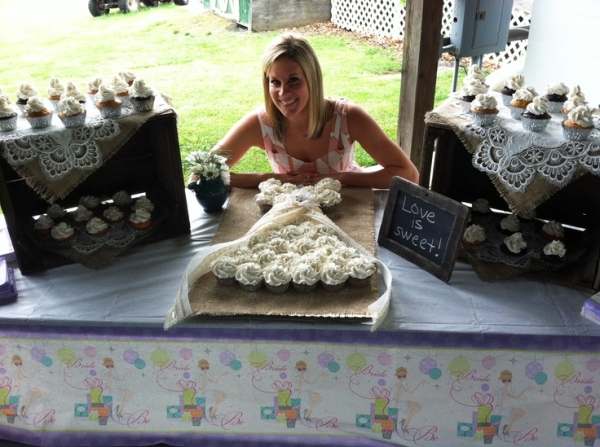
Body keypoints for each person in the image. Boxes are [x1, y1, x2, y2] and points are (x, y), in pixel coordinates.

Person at [206, 33, 419, 190]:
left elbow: (408, 174)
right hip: (293, 212)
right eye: (275, 82)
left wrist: (338, 178)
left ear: (313, 79)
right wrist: (269, 178)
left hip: (349, 209)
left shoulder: (348, 118)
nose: (283, 93)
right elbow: (200, 175)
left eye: (293, 80)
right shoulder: (260, 123)